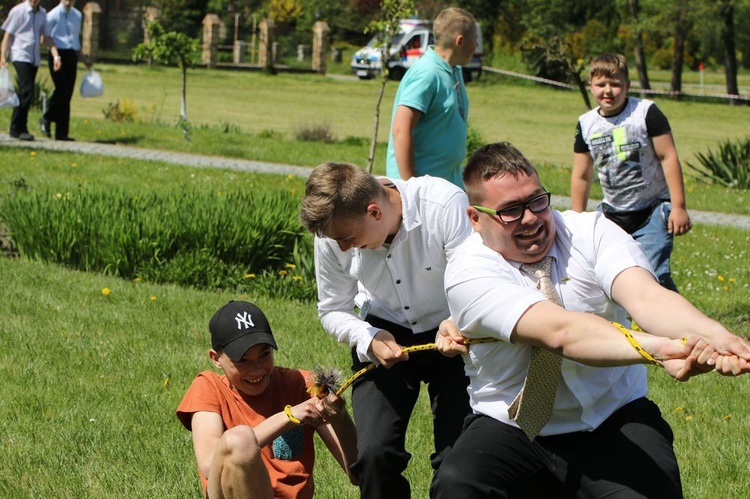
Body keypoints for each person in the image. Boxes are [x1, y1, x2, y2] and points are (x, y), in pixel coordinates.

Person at [431, 142, 750, 498]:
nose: (532, 218)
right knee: (458, 484)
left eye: (538, 200)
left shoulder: (591, 231)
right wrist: (661, 350)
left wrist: (715, 335)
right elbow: (563, 332)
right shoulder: (467, 271)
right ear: (475, 218)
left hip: (612, 416)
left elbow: (647, 298)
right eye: (511, 211)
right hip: (510, 426)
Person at [299, 162, 473, 498]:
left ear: (375, 211)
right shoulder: (333, 235)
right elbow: (332, 309)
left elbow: (478, 278)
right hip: (381, 334)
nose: (344, 248)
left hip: (454, 331)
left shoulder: (442, 204)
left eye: (349, 239)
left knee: (461, 461)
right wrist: (368, 337)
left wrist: (460, 319)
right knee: (374, 457)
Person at [176, 300, 358, 499]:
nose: (256, 370)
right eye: (242, 360)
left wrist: (339, 418)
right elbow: (211, 465)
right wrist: (289, 416)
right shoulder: (208, 387)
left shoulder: (301, 385)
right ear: (215, 358)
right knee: (238, 441)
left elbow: (358, 473)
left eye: (264, 355)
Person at [571, 53, 691, 292]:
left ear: (627, 85)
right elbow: (581, 175)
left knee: (655, 275)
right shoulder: (586, 124)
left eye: (615, 84)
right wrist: (577, 219)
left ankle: (676, 325)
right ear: (590, 86)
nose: (608, 90)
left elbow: (668, 157)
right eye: (601, 84)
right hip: (612, 215)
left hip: (652, 210)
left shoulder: (646, 113)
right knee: (607, 274)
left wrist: (678, 207)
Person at [385, 7, 478, 188]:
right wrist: (412, 188)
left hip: (445, 186)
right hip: (421, 192)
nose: (476, 46)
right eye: (474, 40)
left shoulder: (454, 70)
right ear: (460, 41)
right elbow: (400, 130)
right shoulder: (427, 74)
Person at [1, 0, 61, 141]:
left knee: (26, 91)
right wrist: (3, 56)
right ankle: (18, 128)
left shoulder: (42, 14)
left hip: (34, 57)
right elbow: (8, 36)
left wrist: (56, 56)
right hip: (20, 54)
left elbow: (47, 37)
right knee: (26, 90)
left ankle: (18, 127)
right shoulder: (18, 11)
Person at [40, 0, 91, 141]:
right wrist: (56, 56)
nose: (68, 2)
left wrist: (83, 58)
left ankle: (62, 132)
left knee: (67, 93)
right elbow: (44, 38)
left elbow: (75, 41)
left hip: (71, 55)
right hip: (56, 53)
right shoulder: (52, 15)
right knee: (61, 89)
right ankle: (47, 117)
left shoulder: (77, 16)